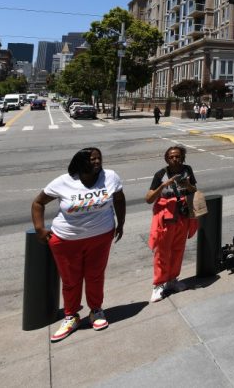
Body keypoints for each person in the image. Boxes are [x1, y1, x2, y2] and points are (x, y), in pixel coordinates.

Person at [31, 147, 126, 342]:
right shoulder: (64, 181)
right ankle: (71, 315)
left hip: (101, 237)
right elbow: (38, 203)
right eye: (92, 160)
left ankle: (96, 311)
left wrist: (121, 223)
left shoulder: (110, 177)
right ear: (80, 163)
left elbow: (119, 199)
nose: (97, 163)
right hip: (67, 240)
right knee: (71, 280)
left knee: (95, 276)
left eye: (99, 159)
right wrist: (40, 228)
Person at [145, 146, 198, 303]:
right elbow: (148, 199)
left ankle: (172, 280)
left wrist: (187, 185)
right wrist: (163, 185)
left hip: (182, 216)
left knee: (178, 250)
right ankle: (158, 285)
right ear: (166, 159)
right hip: (166, 219)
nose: (175, 159)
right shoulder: (161, 174)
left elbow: (194, 190)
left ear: (183, 157)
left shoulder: (187, 170)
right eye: (171, 157)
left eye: (178, 156)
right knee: (162, 252)